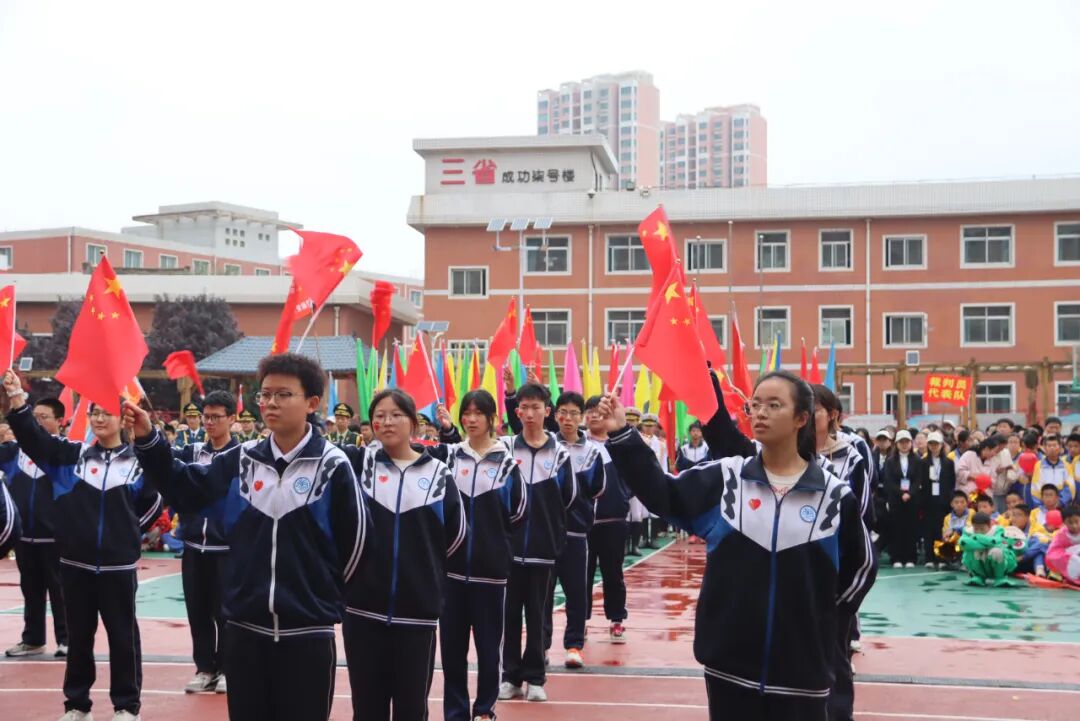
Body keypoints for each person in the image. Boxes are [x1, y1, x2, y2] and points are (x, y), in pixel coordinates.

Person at [598, 371, 875, 721]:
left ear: (800, 419)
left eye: (774, 405)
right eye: (755, 404)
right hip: (729, 668)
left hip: (803, 674)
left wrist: (818, 622)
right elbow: (663, 494)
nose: (760, 412)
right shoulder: (727, 479)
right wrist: (623, 435)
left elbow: (861, 569)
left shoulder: (834, 497)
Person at [126, 352, 370, 721]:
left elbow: (356, 546)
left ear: (312, 402)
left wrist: (321, 600)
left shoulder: (333, 466)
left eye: (283, 394)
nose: (270, 403)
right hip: (243, 629)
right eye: (265, 394)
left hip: (308, 633)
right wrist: (148, 439)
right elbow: (185, 488)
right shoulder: (240, 460)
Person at [4, 372, 163, 721]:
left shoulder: (137, 464)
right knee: (79, 639)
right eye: (95, 412)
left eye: (107, 412)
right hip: (74, 564)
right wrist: (17, 397)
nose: (100, 418)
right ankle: (77, 705)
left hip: (118, 567)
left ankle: (126, 706)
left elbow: (152, 504)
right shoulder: (70, 457)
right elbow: (33, 439)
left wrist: (122, 538)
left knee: (123, 638)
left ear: (122, 417)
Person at [339, 388, 467, 720]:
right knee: (367, 708)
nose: (386, 421)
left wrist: (425, 579)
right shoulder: (356, 466)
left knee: (411, 709)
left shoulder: (438, 475)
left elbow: (455, 537)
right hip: (362, 611)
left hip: (417, 614)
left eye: (396, 414)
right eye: (379, 415)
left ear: (412, 422)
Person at [430, 391, 525, 721]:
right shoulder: (449, 459)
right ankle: (456, 712)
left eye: (478, 413)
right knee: (452, 651)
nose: (471, 419)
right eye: (466, 413)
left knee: (488, 649)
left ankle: (485, 709)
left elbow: (518, 515)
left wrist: (496, 549)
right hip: (451, 574)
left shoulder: (508, 464)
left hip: (491, 574)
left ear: (491, 418)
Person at [498, 382, 576, 704]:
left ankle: (535, 678)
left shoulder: (559, 454)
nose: (530, 414)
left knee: (538, 614)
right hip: (509, 550)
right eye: (524, 408)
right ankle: (510, 677)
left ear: (548, 411)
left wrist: (549, 528)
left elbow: (569, 497)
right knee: (510, 615)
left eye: (536, 407)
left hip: (543, 550)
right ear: (517, 412)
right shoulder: (504, 448)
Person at [173, 390, 238, 694]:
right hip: (193, 547)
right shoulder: (190, 452)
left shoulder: (244, 456)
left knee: (226, 612)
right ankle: (204, 667)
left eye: (216, 417)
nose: (209, 422)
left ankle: (227, 668)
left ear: (232, 419)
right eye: (206, 416)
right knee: (197, 610)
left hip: (227, 550)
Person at [539, 391, 604, 670]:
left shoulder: (591, 452)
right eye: (563, 413)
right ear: (555, 415)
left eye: (574, 413)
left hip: (576, 533)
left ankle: (574, 645)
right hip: (546, 533)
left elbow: (596, 488)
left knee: (577, 592)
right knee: (542, 594)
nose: (568, 419)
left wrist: (568, 484)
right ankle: (540, 647)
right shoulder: (545, 446)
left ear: (582, 417)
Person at [0, 396, 69, 659]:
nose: (38, 421)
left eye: (44, 417)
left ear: (59, 422)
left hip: (56, 538)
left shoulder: (65, 452)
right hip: (24, 537)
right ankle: (33, 639)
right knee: (30, 589)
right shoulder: (13, 452)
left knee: (60, 591)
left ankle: (67, 639)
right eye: (34, 417)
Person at [583, 394, 631, 645]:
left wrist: (622, 495)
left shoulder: (619, 445)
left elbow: (634, 477)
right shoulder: (578, 445)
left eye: (596, 411)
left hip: (613, 519)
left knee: (613, 572)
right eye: (588, 411)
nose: (592, 415)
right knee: (583, 574)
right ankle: (580, 620)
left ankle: (617, 619)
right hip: (584, 523)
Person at [882, 430, 925, 568]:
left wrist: (910, 493)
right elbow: (888, 480)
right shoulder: (890, 461)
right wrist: (901, 493)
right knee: (896, 528)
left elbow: (918, 480)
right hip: (896, 499)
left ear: (911, 443)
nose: (904, 444)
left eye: (907, 442)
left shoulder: (917, 460)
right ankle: (897, 558)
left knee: (911, 528)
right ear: (897, 444)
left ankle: (910, 557)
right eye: (901, 442)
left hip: (912, 500)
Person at [921, 431, 956, 568]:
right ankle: (929, 557)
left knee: (942, 529)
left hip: (943, 501)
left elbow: (951, 482)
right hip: (928, 500)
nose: (934, 447)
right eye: (931, 444)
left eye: (936, 444)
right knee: (928, 530)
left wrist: (949, 498)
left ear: (941, 445)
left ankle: (942, 557)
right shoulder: (923, 462)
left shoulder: (948, 463)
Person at [959, 512, 1018, 587]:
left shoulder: (998, 530)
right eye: (976, 529)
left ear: (989, 525)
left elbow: (996, 541)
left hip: (995, 564)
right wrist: (986, 544)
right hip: (979, 563)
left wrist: (977, 537)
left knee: (997, 551)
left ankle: (1000, 578)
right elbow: (963, 543)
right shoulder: (968, 531)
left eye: (982, 529)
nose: (979, 531)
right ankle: (978, 577)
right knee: (971, 552)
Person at [1026, 434, 1076, 507]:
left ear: (1060, 447)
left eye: (1054, 445)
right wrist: (1042, 504)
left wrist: (1060, 502)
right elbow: (1035, 487)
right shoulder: (1039, 465)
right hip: (1043, 504)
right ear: (1044, 448)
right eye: (1049, 446)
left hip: (1062, 505)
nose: (1052, 448)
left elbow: (1070, 486)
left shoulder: (1067, 465)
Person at [1005, 504, 1049, 577]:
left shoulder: (1036, 528)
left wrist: (1023, 556)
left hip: (1028, 563)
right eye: (1013, 515)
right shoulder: (1007, 527)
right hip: (1011, 562)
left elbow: (1043, 544)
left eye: (1018, 515)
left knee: (1038, 547)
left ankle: (1040, 572)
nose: (1014, 518)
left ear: (1027, 517)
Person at [934, 491, 973, 566]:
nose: (959, 505)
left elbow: (969, 529)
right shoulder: (947, 518)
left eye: (962, 502)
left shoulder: (971, 513)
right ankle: (950, 560)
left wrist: (954, 530)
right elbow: (945, 533)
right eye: (956, 502)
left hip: (967, 541)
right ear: (951, 504)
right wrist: (946, 537)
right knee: (942, 544)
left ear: (966, 503)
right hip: (954, 542)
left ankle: (964, 562)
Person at [1045, 505, 1080, 586]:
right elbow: (1052, 554)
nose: (1074, 526)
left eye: (1077, 521)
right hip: (1067, 559)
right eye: (1070, 523)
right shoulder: (1062, 535)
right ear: (1064, 523)